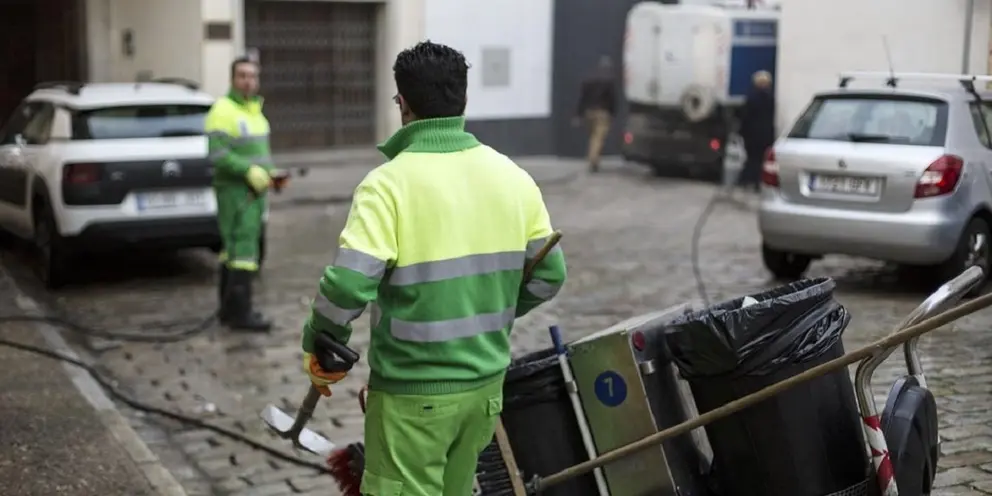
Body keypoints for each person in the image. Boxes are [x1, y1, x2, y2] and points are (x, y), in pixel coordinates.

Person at [300, 41, 567, 495]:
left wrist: (320, 340)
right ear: (463, 99)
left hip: (412, 397)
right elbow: (550, 275)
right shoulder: (513, 177)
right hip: (484, 392)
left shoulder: (387, 186)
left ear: (403, 104)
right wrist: (487, 312)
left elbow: (347, 286)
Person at [205, 57, 278, 332]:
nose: (248, 81)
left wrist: (271, 174)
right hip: (235, 192)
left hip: (255, 193)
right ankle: (242, 313)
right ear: (232, 79)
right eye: (242, 75)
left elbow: (260, 154)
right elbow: (217, 152)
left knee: (236, 251)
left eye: (252, 76)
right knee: (242, 251)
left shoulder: (256, 112)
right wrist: (247, 171)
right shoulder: (223, 110)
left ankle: (229, 310)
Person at [575, 55, 618, 173]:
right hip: (602, 113)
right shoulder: (609, 81)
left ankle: (593, 158)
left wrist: (579, 114)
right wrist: (613, 113)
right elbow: (612, 100)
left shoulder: (588, 80)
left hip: (589, 113)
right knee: (598, 138)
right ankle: (593, 160)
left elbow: (582, 98)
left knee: (592, 137)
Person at [738, 70, 776, 192]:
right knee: (762, 159)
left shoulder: (751, 98)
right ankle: (757, 182)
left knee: (751, 158)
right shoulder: (771, 99)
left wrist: (742, 132)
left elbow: (745, 117)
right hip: (766, 135)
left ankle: (746, 180)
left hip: (752, 135)